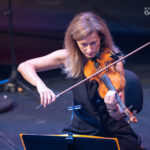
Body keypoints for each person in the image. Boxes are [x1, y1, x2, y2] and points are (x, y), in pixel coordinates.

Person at [18, 12, 140, 150]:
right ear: (75, 42)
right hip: (82, 129)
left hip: (114, 131)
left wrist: (112, 107)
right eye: (84, 45)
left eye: (93, 43)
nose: (89, 50)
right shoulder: (68, 57)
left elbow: (119, 116)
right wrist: (41, 86)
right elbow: (24, 66)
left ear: (101, 37)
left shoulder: (113, 61)